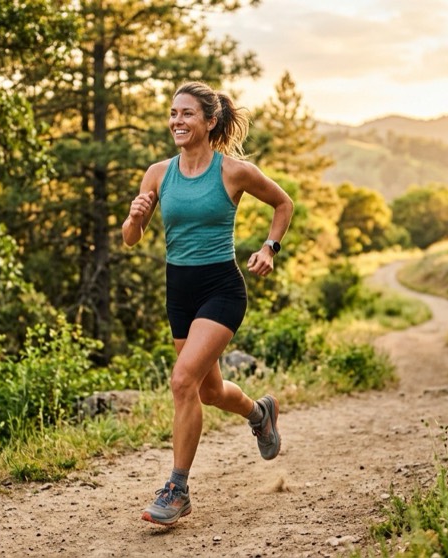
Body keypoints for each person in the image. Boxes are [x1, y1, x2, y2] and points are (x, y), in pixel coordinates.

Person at [122, 81, 294, 526]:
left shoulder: (233, 171)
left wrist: (269, 249)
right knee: (208, 391)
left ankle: (177, 489)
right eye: (173, 113)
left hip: (221, 287)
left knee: (182, 381)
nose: (177, 121)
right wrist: (135, 218)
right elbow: (130, 239)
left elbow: (282, 203)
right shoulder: (158, 173)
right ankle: (260, 413)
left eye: (187, 114)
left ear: (210, 121)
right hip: (178, 290)